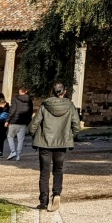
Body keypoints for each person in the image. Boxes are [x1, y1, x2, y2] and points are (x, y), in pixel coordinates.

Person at [29, 82, 81, 212]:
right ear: (63, 92)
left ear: (53, 92)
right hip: (61, 143)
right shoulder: (70, 106)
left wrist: (34, 135)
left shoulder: (45, 106)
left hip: (44, 143)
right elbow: (77, 126)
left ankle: (43, 202)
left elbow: (33, 125)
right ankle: (56, 194)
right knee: (58, 170)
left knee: (44, 173)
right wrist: (70, 136)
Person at [6, 86, 33, 160]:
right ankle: (18, 155)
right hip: (23, 123)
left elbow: (12, 110)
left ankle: (12, 151)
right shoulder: (29, 100)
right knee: (20, 139)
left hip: (14, 121)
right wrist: (28, 122)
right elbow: (30, 112)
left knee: (10, 136)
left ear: (21, 92)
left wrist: (7, 120)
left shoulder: (16, 99)